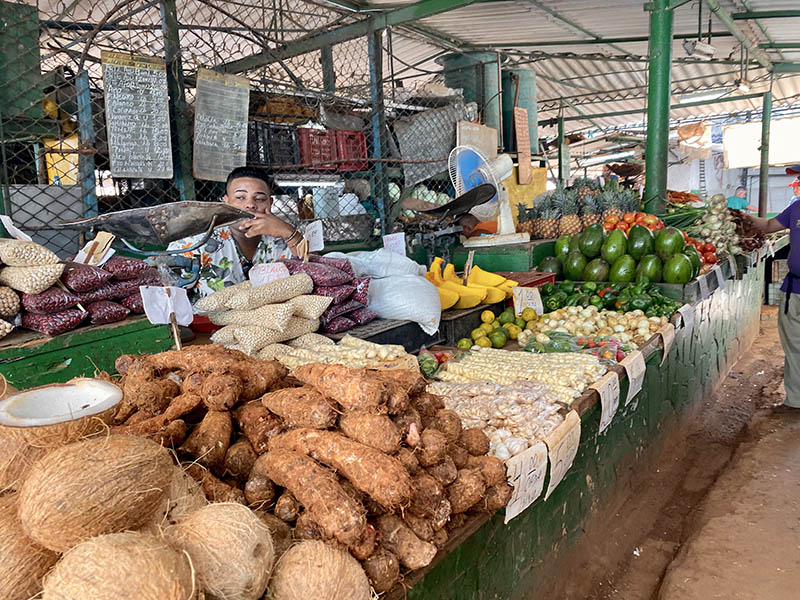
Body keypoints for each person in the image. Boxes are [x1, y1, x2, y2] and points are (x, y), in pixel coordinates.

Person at [168, 166, 306, 300]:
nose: (250, 205)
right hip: (208, 322)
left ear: (270, 203)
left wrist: (288, 232)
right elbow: (167, 295)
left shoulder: (283, 240)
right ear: (226, 202)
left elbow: (316, 277)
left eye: (259, 199)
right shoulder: (196, 243)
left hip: (275, 321)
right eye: (240, 197)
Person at [742, 206, 800, 409]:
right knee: (794, 346)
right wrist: (743, 217)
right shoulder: (797, 207)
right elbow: (767, 225)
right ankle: (796, 401)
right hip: (794, 289)